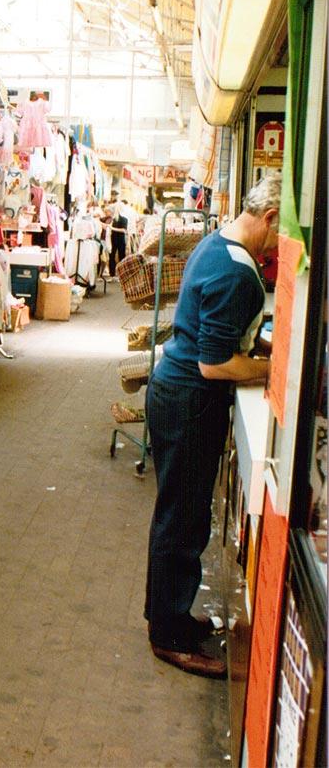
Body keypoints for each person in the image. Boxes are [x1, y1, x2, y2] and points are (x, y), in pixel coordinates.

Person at [145, 175, 279, 678]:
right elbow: (216, 363)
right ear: (268, 220)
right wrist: (276, 370)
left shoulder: (216, 243)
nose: (282, 246)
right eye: (284, 233)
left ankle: (170, 613)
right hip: (189, 399)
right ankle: (168, 633)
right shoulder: (238, 274)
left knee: (182, 515)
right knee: (181, 519)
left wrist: (259, 352)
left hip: (178, 394)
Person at [109, 205, 128, 276]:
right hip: (114, 239)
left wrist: (111, 228)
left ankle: (120, 274)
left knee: (120, 257)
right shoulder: (112, 219)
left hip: (118, 240)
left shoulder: (123, 219)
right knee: (113, 257)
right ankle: (113, 274)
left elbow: (123, 230)